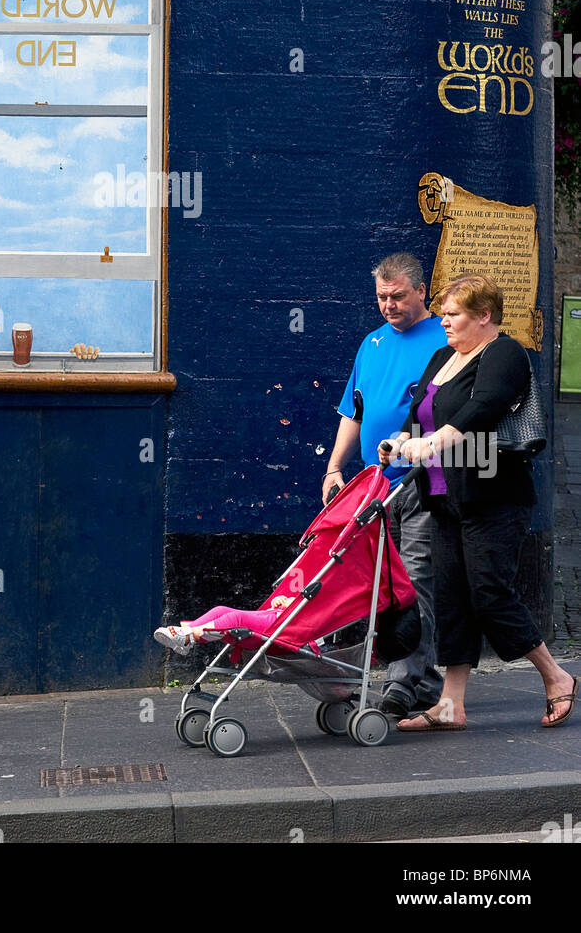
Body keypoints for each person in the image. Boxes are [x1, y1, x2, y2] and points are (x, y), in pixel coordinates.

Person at [380, 272, 577, 733]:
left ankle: (556, 674)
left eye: (453, 315)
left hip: (494, 496)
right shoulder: (442, 357)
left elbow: (486, 405)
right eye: (444, 314)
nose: (444, 323)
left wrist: (437, 442)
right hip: (443, 497)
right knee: (452, 598)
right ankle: (450, 705)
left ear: (484, 316)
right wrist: (399, 443)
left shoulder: (504, 352)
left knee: (489, 593)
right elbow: (418, 417)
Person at [323, 253, 447, 717]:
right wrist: (334, 468)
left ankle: (403, 681)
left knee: (416, 578)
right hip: (374, 484)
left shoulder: (445, 339)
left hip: (423, 478)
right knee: (383, 583)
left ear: (421, 292)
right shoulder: (371, 343)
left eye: (397, 296)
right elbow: (353, 412)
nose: (388, 305)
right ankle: (421, 679)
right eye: (381, 297)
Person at [154, 595, 296, 655]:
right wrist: (279, 601)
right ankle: (187, 635)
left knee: (236, 619)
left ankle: (187, 637)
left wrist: (291, 603)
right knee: (220, 610)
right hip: (273, 616)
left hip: (281, 628)